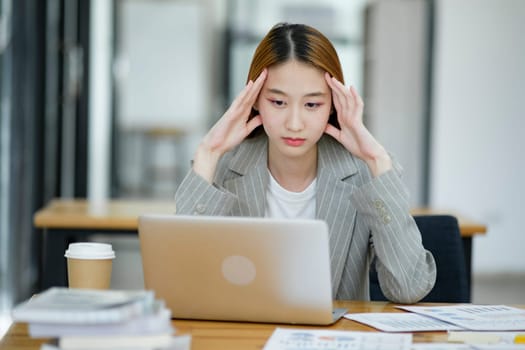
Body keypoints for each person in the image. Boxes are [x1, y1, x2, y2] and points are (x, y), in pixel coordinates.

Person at [175, 22, 436, 303]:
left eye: (312, 105)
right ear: (253, 100)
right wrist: (207, 152)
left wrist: (377, 159)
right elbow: (183, 283)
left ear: (334, 105)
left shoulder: (364, 173)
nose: (295, 124)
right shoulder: (223, 167)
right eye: (278, 102)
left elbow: (409, 287)